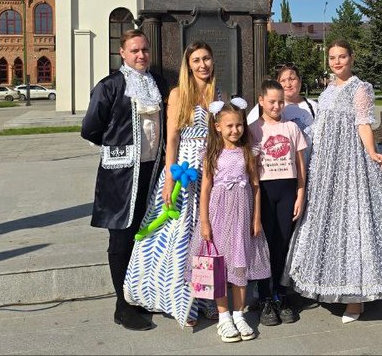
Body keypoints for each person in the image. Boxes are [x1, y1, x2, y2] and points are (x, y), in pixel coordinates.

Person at [283, 39, 382, 323]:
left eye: (342, 57)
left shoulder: (360, 88)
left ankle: (356, 299)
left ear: (351, 58)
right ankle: (328, 283)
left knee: (354, 221)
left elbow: (363, 123)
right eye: (332, 57)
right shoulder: (327, 90)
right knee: (326, 221)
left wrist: (372, 151)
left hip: (348, 161)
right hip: (325, 165)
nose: (337, 62)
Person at [81, 29, 170, 331]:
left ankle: (140, 294)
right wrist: (118, 148)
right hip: (120, 175)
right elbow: (91, 128)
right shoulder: (111, 86)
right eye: (134, 50)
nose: (141, 55)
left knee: (144, 235)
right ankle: (122, 304)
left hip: (152, 171)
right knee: (121, 236)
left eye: (144, 49)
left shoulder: (157, 83)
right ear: (123, 53)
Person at [124, 41, 219, 326]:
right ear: (188, 65)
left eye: (206, 59)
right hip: (185, 172)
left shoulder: (218, 94)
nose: (202, 65)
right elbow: (173, 139)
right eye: (196, 60)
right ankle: (181, 300)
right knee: (179, 237)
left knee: (206, 238)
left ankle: (205, 297)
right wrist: (169, 178)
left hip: (210, 170)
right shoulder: (179, 94)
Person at [196, 99, 271, 343]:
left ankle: (239, 314)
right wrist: (204, 221)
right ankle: (223, 316)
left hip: (242, 215)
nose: (235, 130)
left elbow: (256, 186)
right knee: (219, 266)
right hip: (218, 215)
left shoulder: (248, 151)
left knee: (240, 264)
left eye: (239, 125)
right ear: (217, 126)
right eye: (229, 126)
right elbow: (205, 189)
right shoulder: (211, 153)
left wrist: (256, 217)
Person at [249, 79, 308, 327]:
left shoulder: (292, 129)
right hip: (263, 189)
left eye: (280, 101)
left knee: (283, 242)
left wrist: (301, 193)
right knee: (265, 243)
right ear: (261, 101)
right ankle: (264, 296)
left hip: (287, 190)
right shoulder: (253, 129)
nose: (276, 106)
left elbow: (300, 163)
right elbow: (250, 168)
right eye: (271, 101)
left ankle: (280, 294)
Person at [247, 63, 317, 165]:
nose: (288, 84)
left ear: (300, 80)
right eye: (283, 81)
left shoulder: (314, 107)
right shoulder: (263, 108)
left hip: (308, 170)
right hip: (276, 170)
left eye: (292, 79)